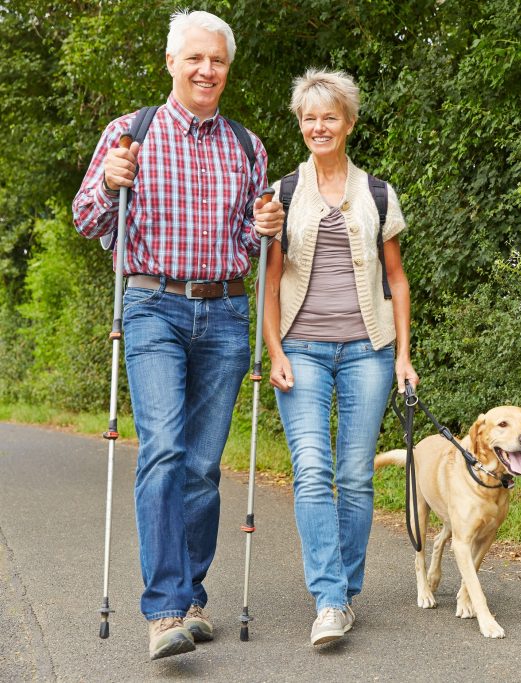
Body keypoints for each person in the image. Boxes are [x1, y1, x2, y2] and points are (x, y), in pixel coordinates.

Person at [71, 9, 284, 661]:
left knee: (201, 466)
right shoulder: (128, 134)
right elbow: (86, 218)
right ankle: (164, 610)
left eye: (217, 60)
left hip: (224, 312)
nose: (206, 69)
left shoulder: (248, 147)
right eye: (195, 58)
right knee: (163, 449)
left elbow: (249, 244)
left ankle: (192, 595)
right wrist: (109, 183)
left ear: (228, 68)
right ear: (171, 62)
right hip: (151, 306)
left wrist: (269, 223)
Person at [262, 68, 418, 647]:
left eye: (330, 117)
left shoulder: (377, 192)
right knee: (311, 469)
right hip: (300, 349)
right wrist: (274, 348)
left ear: (348, 123)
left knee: (354, 477)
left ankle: (344, 592)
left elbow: (397, 281)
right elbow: (270, 285)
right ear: (300, 125)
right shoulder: (281, 193)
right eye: (310, 118)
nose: (319, 126)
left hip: (368, 352)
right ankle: (329, 598)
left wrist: (403, 355)